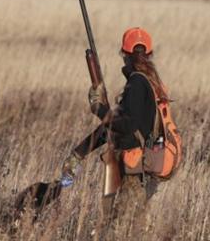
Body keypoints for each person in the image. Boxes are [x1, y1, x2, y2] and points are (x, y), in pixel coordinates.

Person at [61, 27, 170, 222]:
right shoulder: (150, 82)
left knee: (122, 232)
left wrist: (99, 109)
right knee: (126, 229)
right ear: (149, 54)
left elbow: (126, 126)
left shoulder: (137, 83)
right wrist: (79, 153)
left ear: (124, 54)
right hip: (140, 169)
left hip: (135, 172)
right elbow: (114, 128)